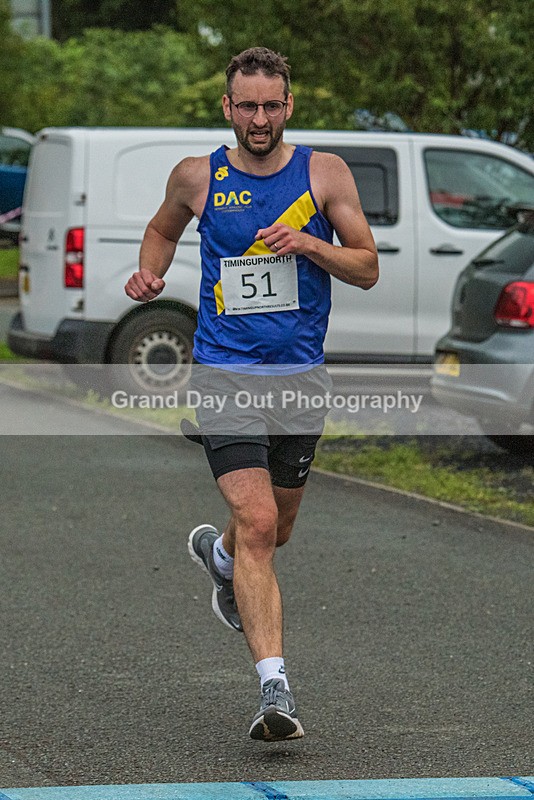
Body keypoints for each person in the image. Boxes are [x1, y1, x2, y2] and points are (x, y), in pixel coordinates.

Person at [125, 46, 378, 742]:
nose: (259, 117)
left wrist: (310, 245)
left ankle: (222, 559)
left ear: (288, 105)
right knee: (260, 522)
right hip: (223, 374)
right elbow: (159, 231)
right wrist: (149, 274)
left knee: (277, 529)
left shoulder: (323, 174)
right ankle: (276, 691)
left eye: (272, 105)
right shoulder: (197, 176)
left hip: (299, 377)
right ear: (228, 107)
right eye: (248, 105)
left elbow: (367, 266)